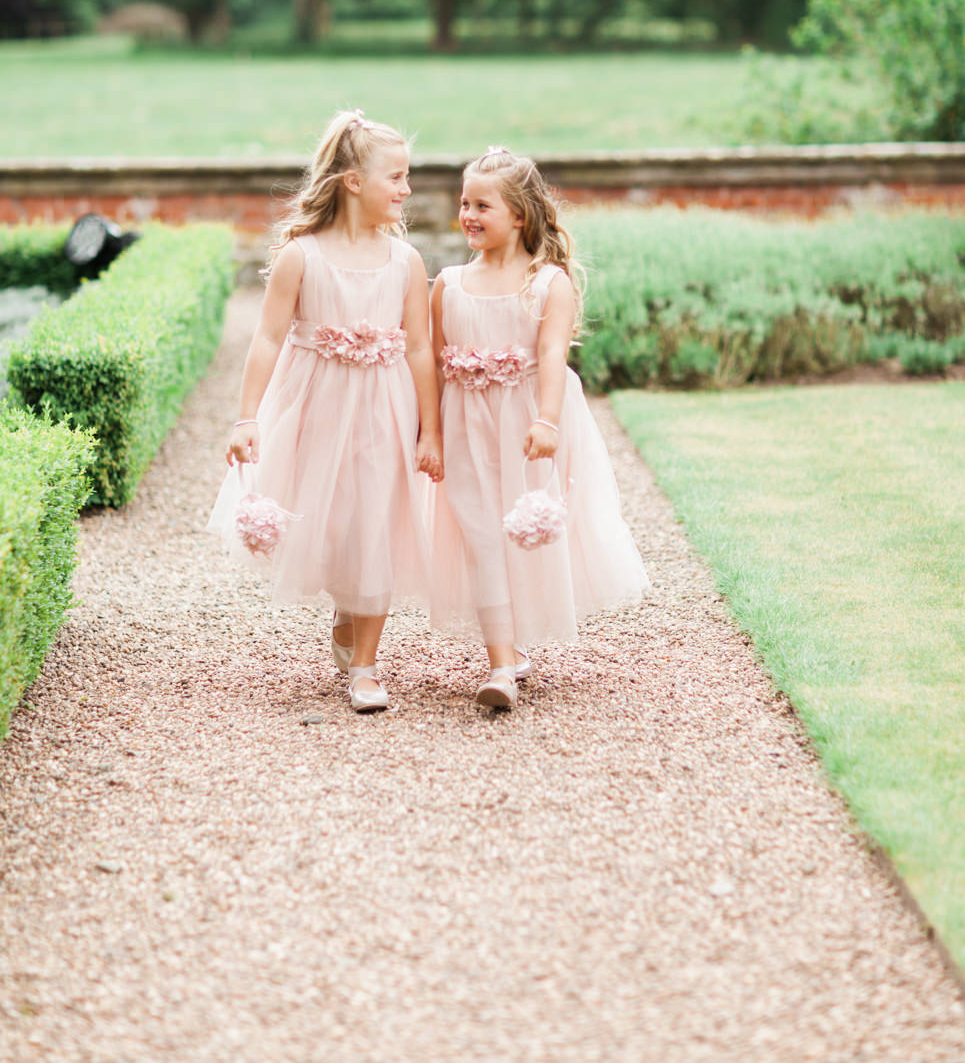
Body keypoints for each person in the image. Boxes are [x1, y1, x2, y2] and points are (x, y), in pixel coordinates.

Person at [208, 109, 443, 713]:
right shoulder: (300, 257)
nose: (406, 189)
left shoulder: (406, 262)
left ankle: (365, 662)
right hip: (316, 405)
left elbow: (419, 346)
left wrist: (430, 429)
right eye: (396, 176)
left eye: (407, 176)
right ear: (353, 182)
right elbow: (266, 339)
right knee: (333, 518)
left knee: (378, 520)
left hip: (385, 408)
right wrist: (246, 417)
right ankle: (346, 609)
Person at [430, 146, 648, 709]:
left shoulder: (547, 283)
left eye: (484, 205)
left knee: (522, 532)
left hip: (528, 420)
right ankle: (500, 665)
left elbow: (553, 355)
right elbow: (431, 362)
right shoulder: (448, 285)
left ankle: (517, 642)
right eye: (464, 203)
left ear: (520, 215)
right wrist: (428, 433)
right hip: (465, 424)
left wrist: (547, 420)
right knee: (479, 534)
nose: (469, 215)